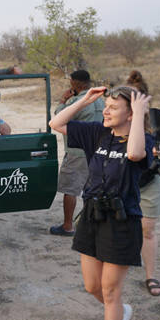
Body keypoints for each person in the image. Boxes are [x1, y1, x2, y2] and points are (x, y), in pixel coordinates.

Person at [49, 85, 154, 320]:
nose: (105, 111)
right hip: (93, 217)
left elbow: (134, 153)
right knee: (92, 287)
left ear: (131, 113)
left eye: (113, 107)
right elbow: (56, 124)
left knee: (110, 291)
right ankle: (122, 312)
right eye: (105, 106)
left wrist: (140, 114)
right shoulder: (97, 133)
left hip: (122, 221)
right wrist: (85, 100)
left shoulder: (142, 138)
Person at [126, 70, 160, 297]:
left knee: (148, 229)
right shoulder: (120, 116)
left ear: (146, 98)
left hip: (149, 180)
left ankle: (150, 275)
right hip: (125, 179)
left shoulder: (157, 117)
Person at [49, 70, 104, 237]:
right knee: (91, 189)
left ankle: (67, 226)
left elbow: (59, 116)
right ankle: (90, 225)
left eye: (71, 82)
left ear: (77, 84)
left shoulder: (77, 101)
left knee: (71, 189)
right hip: (96, 151)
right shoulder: (99, 101)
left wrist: (63, 100)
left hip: (76, 151)